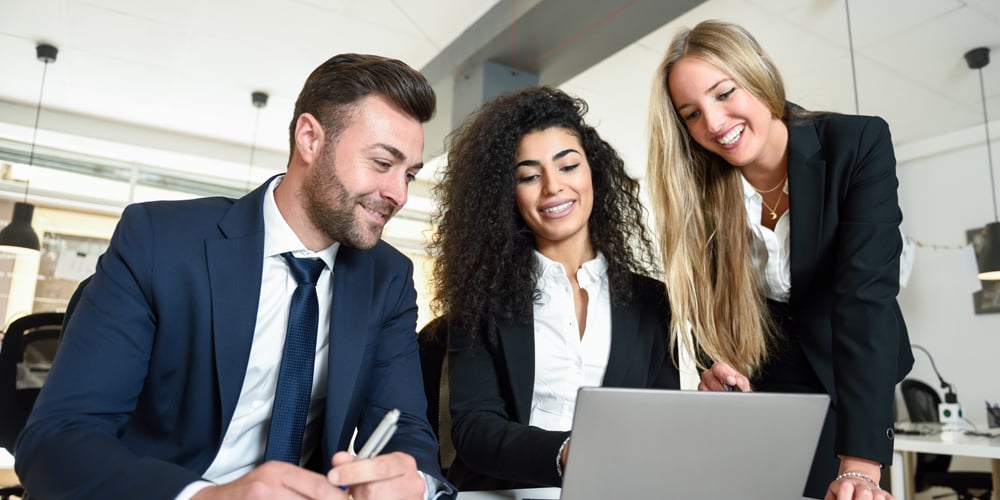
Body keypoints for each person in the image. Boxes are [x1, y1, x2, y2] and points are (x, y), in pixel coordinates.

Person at [15, 53, 454, 500]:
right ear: (310, 138)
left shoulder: (389, 277)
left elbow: (405, 430)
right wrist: (204, 497)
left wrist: (414, 482)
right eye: (383, 164)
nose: (398, 194)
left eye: (410, 175)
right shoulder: (159, 240)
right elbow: (57, 440)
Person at [647, 20, 913, 499]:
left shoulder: (857, 143)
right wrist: (714, 365)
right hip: (763, 377)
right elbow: (708, 297)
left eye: (724, 93)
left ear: (759, 72)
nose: (713, 123)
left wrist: (860, 465)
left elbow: (864, 297)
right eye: (692, 113)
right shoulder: (701, 189)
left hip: (848, 366)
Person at [431, 86, 679, 491]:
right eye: (529, 175)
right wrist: (563, 452)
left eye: (568, 166)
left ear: (593, 172)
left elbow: (659, 421)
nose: (553, 187)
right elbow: (474, 427)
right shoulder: (482, 300)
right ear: (506, 196)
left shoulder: (652, 301)